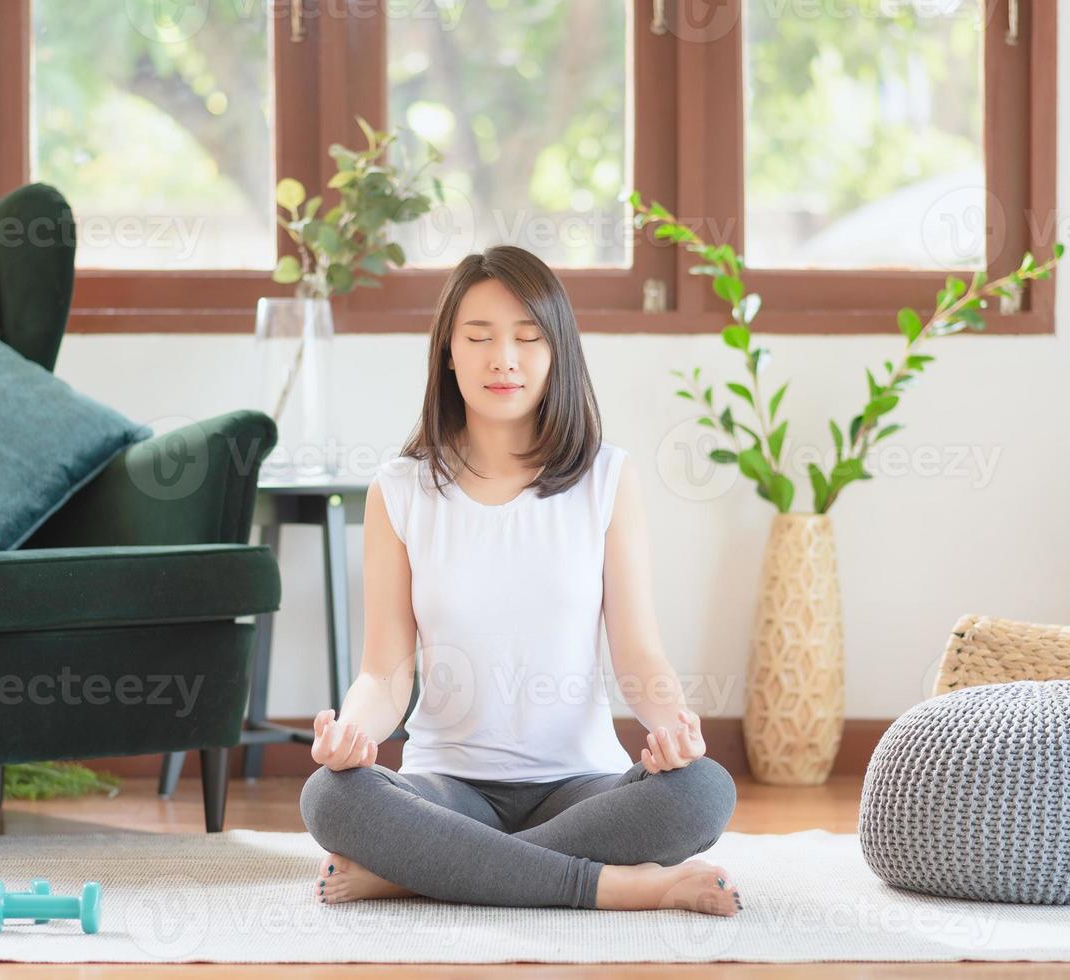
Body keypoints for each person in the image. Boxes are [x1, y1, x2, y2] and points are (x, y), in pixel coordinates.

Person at [298, 244, 740, 915]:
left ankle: (427, 872)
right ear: (448, 352)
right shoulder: (399, 491)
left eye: (527, 338)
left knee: (703, 792)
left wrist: (673, 726)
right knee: (330, 796)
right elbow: (383, 671)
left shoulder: (606, 481)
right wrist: (350, 733)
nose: (503, 357)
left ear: (556, 352)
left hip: (580, 785)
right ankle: (612, 887)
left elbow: (637, 651)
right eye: (479, 337)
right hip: (448, 788)